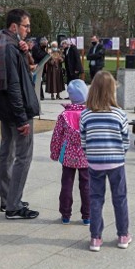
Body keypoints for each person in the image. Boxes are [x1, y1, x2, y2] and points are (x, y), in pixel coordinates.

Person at [0, 8, 41, 219]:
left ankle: (7, 199)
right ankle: (14, 205)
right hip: (16, 110)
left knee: (7, 153)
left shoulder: (0, 41)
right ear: (14, 27)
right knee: (22, 156)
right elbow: (13, 85)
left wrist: (24, 50)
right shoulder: (8, 48)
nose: (28, 30)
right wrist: (22, 118)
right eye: (26, 26)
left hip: (4, 110)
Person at [80, 71, 131, 252]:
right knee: (120, 198)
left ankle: (95, 237)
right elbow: (126, 141)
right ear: (112, 91)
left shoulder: (86, 115)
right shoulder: (119, 114)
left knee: (95, 198)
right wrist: (119, 153)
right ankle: (123, 235)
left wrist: (90, 154)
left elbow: (83, 140)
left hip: (94, 162)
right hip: (116, 162)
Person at [50, 79, 90, 225]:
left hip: (68, 156)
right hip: (86, 156)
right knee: (86, 185)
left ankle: (65, 214)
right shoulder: (90, 115)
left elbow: (56, 137)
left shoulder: (64, 116)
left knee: (66, 183)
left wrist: (55, 153)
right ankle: (87, 216)